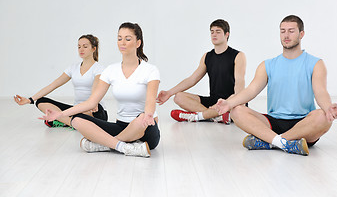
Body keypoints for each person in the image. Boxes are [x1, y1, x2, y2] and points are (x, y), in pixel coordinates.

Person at [212, 15, 337, 156]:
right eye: (282, 31)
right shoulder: (268, 65)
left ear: (301, 34)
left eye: (291, 31)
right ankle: (284, 142)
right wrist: (228, 104)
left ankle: (271, 141)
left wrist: (328, 107)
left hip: (303, 123)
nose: (286, 35)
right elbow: (251, 90)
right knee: (236, 110)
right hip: (273, 123)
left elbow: (320, 92)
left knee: (323, 117)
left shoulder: (315, 63)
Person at [39, 22, 160, 157]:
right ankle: (124, 147)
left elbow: (150, 100)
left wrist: (149, 114)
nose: (122, 42)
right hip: (121, 126)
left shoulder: (150, 70)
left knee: (142, 117)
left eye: (128, 39)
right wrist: (61, 115)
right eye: (119, 38)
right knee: (77, 120)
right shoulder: (111, 70)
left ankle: (106, 144)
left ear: (138, 43)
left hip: (145, 129)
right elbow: (91, 102)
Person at [156, 19, 246, 124]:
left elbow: (239, 87)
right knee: (179, 97)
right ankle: (214, 116)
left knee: (238, 101)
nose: (214, 34)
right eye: (212, 32)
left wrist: (228, 103)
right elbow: (192, 80)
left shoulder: (238, 56)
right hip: (213, 101)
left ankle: (202, 116)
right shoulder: (207, 56)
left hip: (231, 101)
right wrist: (169, 93)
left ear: (227, 34)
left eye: (218, 32)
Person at [14, 34, 108, 127]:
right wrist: (30, 100)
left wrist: (94, 102)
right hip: (75, 110)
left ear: (93, 49)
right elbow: (53, 85)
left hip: (93, 110)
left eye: (85, 46)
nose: (81, 49)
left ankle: (65, 120)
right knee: (41, 101)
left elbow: (96, 87)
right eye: (79, 47)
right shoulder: (73, 68)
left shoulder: (99, 69)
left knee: (96, 110)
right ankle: (72, 123)